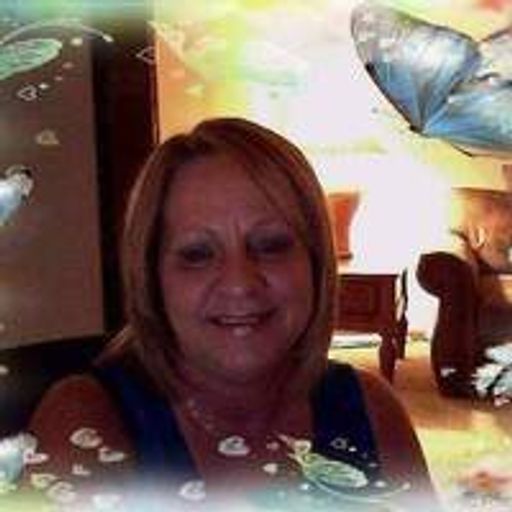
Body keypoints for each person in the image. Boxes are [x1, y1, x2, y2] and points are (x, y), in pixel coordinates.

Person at [25, 117, 438, 510]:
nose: (240, 282)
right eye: (197, 254)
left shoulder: (372, 410)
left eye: (271, 245)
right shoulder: (82, 423)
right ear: (152, 276)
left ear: (315, 263)